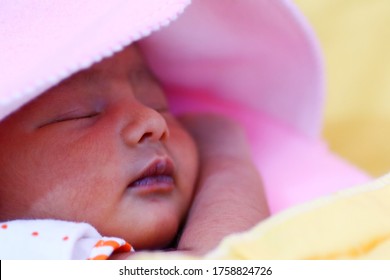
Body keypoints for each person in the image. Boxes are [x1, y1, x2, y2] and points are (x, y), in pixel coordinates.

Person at [0, 44, 269, 259]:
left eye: (159, 103)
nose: (153, 121)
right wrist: (225, 154)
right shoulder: (21, 251)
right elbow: (221, 265)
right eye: (80, 114)